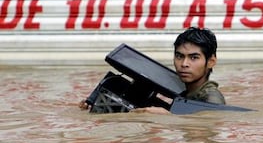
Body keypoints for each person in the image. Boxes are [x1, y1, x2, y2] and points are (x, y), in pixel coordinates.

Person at [79, 27, 225, 114]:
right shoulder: (184, 91)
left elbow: (210, 124)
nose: (184, 64)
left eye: (194, 58)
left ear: (211, 61)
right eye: (179, 56)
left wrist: (169, 117)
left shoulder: (211, 98)